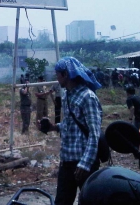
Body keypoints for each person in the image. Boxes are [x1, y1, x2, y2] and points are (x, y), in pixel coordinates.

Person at [37, 57, 102, 205]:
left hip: (84, 163)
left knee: (87, 201)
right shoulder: (67, 96)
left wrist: (85, 163)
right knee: (62, 201)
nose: (56, 77)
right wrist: (52, 126)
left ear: (65, 74)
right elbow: (69, 125)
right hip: (67, 160)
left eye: (57, 74)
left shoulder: (88, 97)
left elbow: (94, 133)